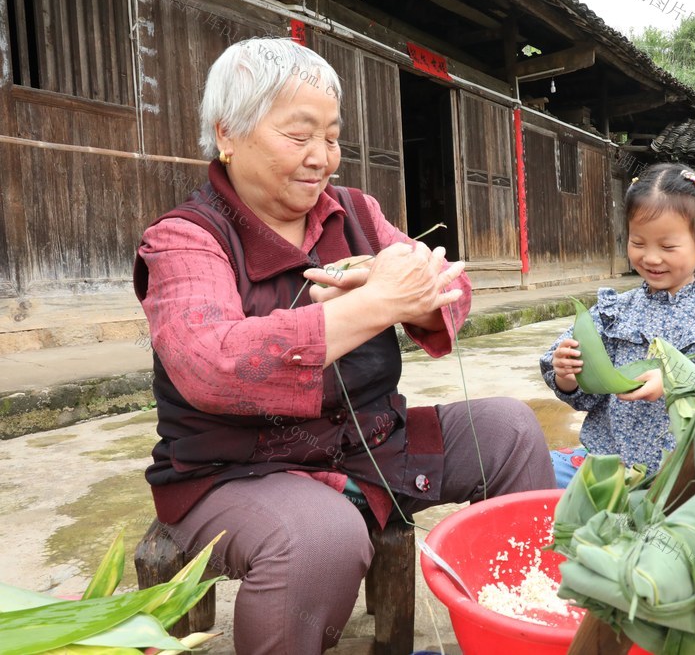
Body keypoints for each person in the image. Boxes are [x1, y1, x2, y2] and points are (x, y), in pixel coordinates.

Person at [134, 38, 555, 654]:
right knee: (320, 538)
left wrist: (419, 291)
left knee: (511, 430)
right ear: (228, 135)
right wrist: (372, 305)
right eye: (298, 136)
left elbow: (449, 282)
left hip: (369, 444)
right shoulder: (184, 239)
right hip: (236, 470)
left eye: (331, 138)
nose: (321, 158)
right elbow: (212, 362)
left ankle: (524, 618)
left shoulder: (355, 212)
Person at [539, 163, 695, 487]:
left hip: (684, 474)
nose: (651, 258)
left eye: (668, 246)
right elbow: (578, 387)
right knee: (526, 472)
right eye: (638, 243)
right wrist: (567, 374)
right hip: (605, 465)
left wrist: (677, 384)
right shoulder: (613, 311)